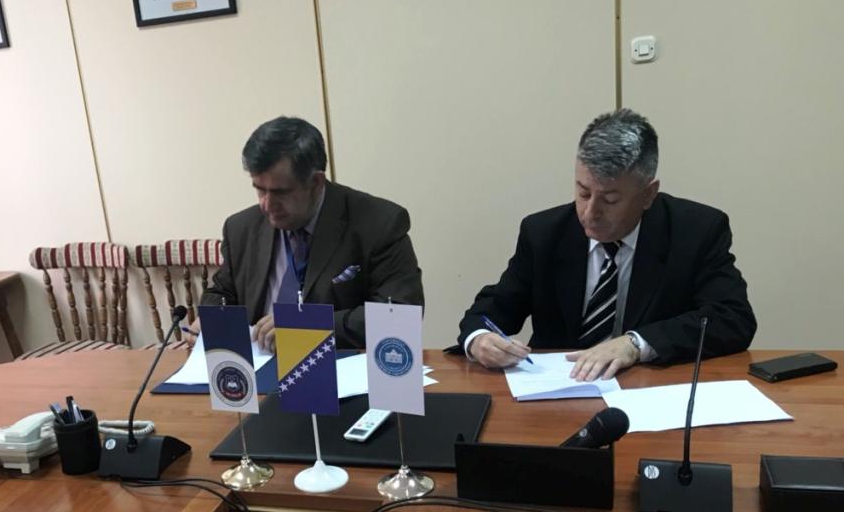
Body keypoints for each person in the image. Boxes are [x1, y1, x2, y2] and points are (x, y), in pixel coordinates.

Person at [457, 108, 756, 380]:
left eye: (610, 200)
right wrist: (479, 340)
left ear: (648, 194)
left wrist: (635, 344)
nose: (590, 213)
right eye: (583, 193)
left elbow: (733, 318)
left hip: (649, 390)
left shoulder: (696, 231)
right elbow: (489, 312)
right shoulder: (543, 233)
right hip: (558, 392)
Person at [195, 116, 424, 351]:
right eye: (260, 190)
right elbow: (222, 292)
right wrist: (212, 317)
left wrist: (309, 326)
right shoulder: (241, 228)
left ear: (316, 182)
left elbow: (401, 314)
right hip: (257, 361)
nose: (267, 205)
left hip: (335, 364)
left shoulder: (379, 223)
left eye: (280, 192)